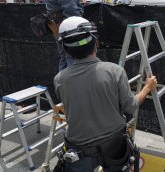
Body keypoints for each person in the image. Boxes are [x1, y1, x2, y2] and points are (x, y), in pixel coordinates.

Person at [54, 16, 158, 172]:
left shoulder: (60, 79)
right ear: (96, 43)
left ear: (66, 49)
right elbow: (131, 106)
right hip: (114, 144)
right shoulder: (114, 71)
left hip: (79, 149)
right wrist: (147, 87)